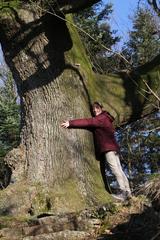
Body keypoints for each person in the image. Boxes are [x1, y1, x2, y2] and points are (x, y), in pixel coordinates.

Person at [61, 101, 132, 201]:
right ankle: (128, 192)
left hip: (108, 148)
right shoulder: (106, 118)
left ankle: (123, 192)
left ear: (101, 108)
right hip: (113, 148)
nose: (95, 110)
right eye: (93, 109)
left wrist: (70, 123)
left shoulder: (102, 118)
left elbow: (88, 122)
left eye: (97, 108)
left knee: (115, 169)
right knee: (119, 169)